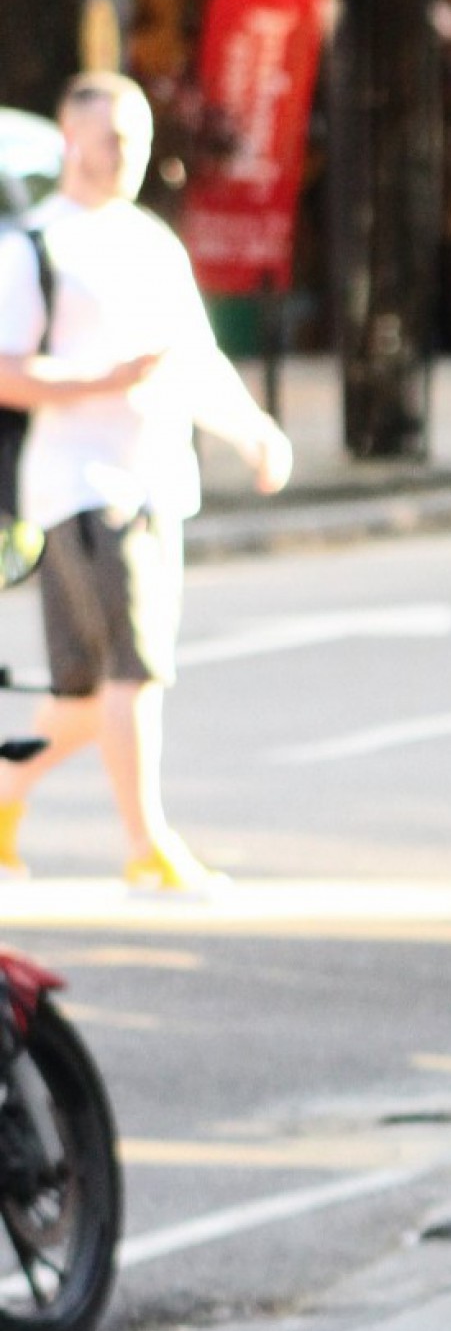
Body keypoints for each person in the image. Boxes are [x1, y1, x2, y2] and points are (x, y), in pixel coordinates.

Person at [0, 72, 292, 893]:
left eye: (138, 139)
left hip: (156, 479)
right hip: (87, 488)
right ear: (71, 141)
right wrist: (106, 380)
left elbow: (195, 359)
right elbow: (8, 372)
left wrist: (253, 431)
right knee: (136, 673)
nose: (129, 155)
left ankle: (5, 800)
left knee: (85, 696)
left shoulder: (152, 242)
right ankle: (146, 845)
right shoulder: (35, 247)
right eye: (113, 139)